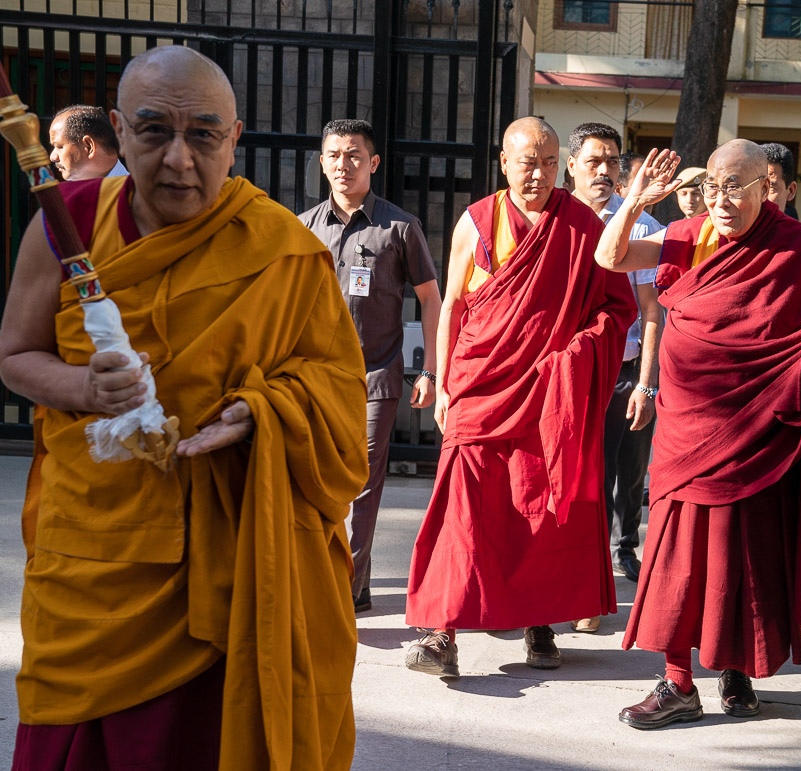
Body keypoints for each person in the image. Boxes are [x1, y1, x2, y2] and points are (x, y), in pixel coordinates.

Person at [0, 45, 368, 769]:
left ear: (234, 139)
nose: (177, 160)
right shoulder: (65, 220)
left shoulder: (283, 251)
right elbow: (15, 354)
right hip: (94, 556)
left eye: (202, 135)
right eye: (152, 132)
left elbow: (337, 392)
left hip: (229, 558)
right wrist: (82, 389)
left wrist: (262, 413)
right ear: (117, 129)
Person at [596, 139, 801, 729]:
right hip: (689, 424)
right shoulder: (690, 235)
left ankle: (737, 672)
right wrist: (637, 197)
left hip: (756, 425)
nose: (720, 199)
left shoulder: (794, 245)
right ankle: (676, 680)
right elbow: (610, 257)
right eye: (713, 187)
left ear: (765, 188)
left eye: (734, 187)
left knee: (743, 559)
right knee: (678, 559)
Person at [402, 117, 636, 677]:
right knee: (462, 509)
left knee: (540, 510)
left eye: (550, 162)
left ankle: (540, 624)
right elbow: (453, 304)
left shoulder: (582, 225)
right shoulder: (477, 220)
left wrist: (577, 355)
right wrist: (443, 379)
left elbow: (617, 310)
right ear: (504, 162)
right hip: (480, 384)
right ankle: (442, 631)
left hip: (550, 392)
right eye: (528, 161)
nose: (539, 173)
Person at [299, 119, 441, 614]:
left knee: (362, 485)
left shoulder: (399, 227)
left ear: (373, 162)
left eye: (354, 154)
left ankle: (344, 587)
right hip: (315, 378)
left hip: (376, 376)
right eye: (334, 155)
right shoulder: (302, 227)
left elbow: (430, 299)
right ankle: (341, 579)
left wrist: (430, 371)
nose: (343, 164)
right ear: (321, 162)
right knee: (318, 482)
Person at [565, 123, 664, 622]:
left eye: (612, 162)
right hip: (564, 377)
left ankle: (593, 587)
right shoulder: (552, 222)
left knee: (614, 481)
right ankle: (569, 582)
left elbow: (651, 310)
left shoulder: (642, 228)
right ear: (572, 165)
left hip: (620, 372)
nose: (604, 172)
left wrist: (646, 383)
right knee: (574, 484)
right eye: (593, 161)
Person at [48, 104, 129, 180]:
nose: (53, 157)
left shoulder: (134, 192)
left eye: (59, 147)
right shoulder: (68, 192)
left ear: (89, 146)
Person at [758, 142, 798, 219]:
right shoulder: (732, 229)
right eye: (753, 187)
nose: (759, 198)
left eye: (769, 188)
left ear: (791, 190)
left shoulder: (798, 231)